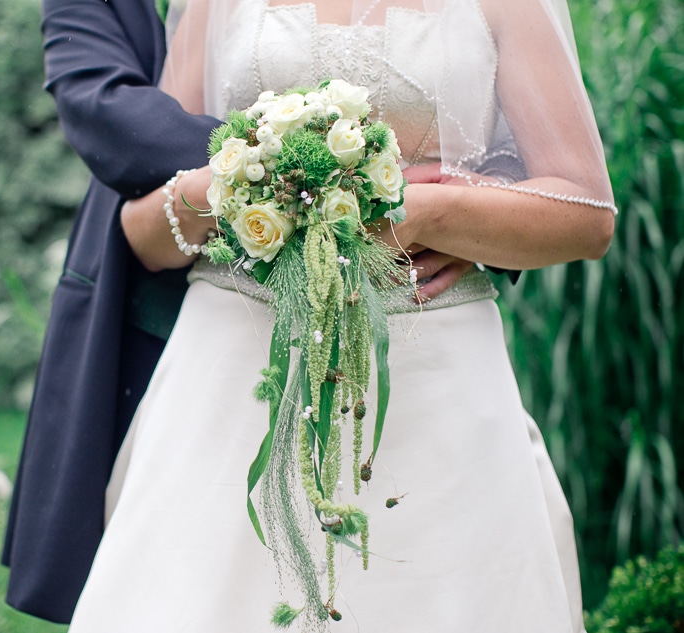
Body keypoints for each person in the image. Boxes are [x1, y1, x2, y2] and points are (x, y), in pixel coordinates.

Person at [65, 0, 616, 631]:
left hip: (433, 376)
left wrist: (431, 215)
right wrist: (236, 189)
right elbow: (142, 230)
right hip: (227, 381)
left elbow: (588, 217)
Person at [2, 0, 476, 625]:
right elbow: (105, 108)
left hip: (408, 325)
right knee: (188, 572)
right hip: (182, 312)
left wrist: (474, 216)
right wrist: (312, 165)